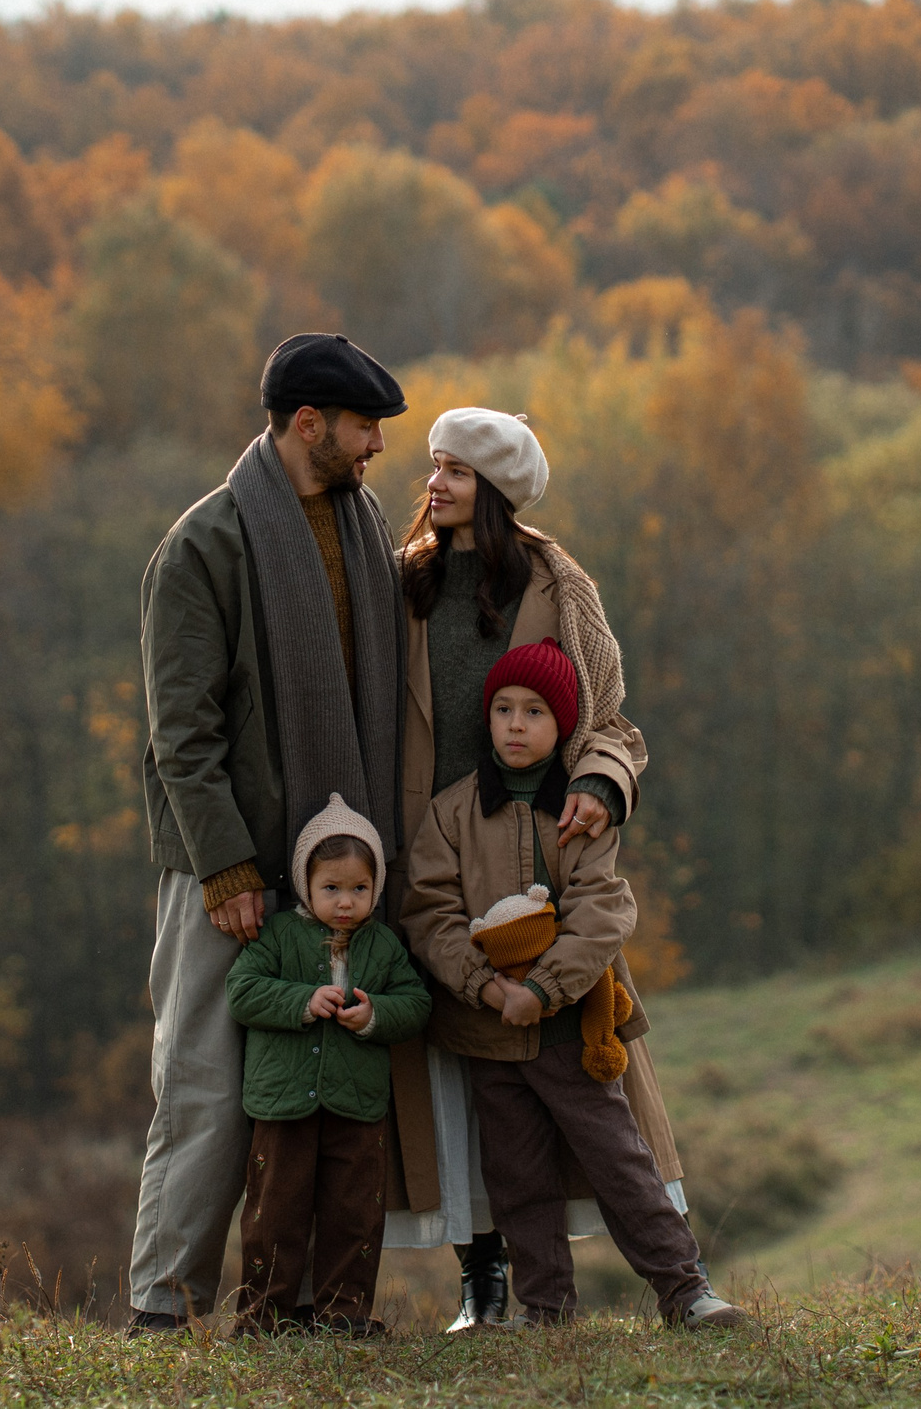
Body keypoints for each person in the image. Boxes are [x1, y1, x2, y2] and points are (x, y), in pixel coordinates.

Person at [380, 408, 686, 1330]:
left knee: (572, 1085)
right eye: (434, 466)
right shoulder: (404, 579)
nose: (434, 484)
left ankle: (670, 1280)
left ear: (497, 489)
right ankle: (483, 1284)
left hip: (539, 852)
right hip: (434, 849)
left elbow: (609, 718)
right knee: (458, 1084)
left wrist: (600, 782)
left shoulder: (560, 584)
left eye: (455, 471)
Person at [127, 333, 409, 1331]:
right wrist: (227, 866)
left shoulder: (365, 528)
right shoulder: (203, 546)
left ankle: (297, 1302)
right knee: (204, 1086)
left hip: (338, 866)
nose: (377, 445)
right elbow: (182, 734)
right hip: (230, 865)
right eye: (364, 425)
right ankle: (162, 1307)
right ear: (308, 422)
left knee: (315, 1086)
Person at [403, 641, 744, 1328]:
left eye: (534, 712)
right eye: (503, 709)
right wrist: (487, 988)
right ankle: (547, 1310)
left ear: (562, 725)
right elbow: (429, 912)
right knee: (517, 1177)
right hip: (488, 1033)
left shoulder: (581, 811)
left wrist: (544, 989)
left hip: (571, 1030)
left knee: (620, 1162)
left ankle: (686, 1290)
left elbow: (602, 908)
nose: (516, 724)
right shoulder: (452, 811)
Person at [226, 794, 431, 1334]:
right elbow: (241, 991)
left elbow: (416, 1004)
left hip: (357, 1105)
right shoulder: (277, 935)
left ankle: (344, 1314)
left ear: (376, 888)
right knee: (274, 1212)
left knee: (354, 1212)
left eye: (359, 889)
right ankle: (263, 1317)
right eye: (331, 888)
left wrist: (374, 1014)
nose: (345, 902)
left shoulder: (383, 946)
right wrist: (301, 1000)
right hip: (283, 1104)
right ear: (305, 885)